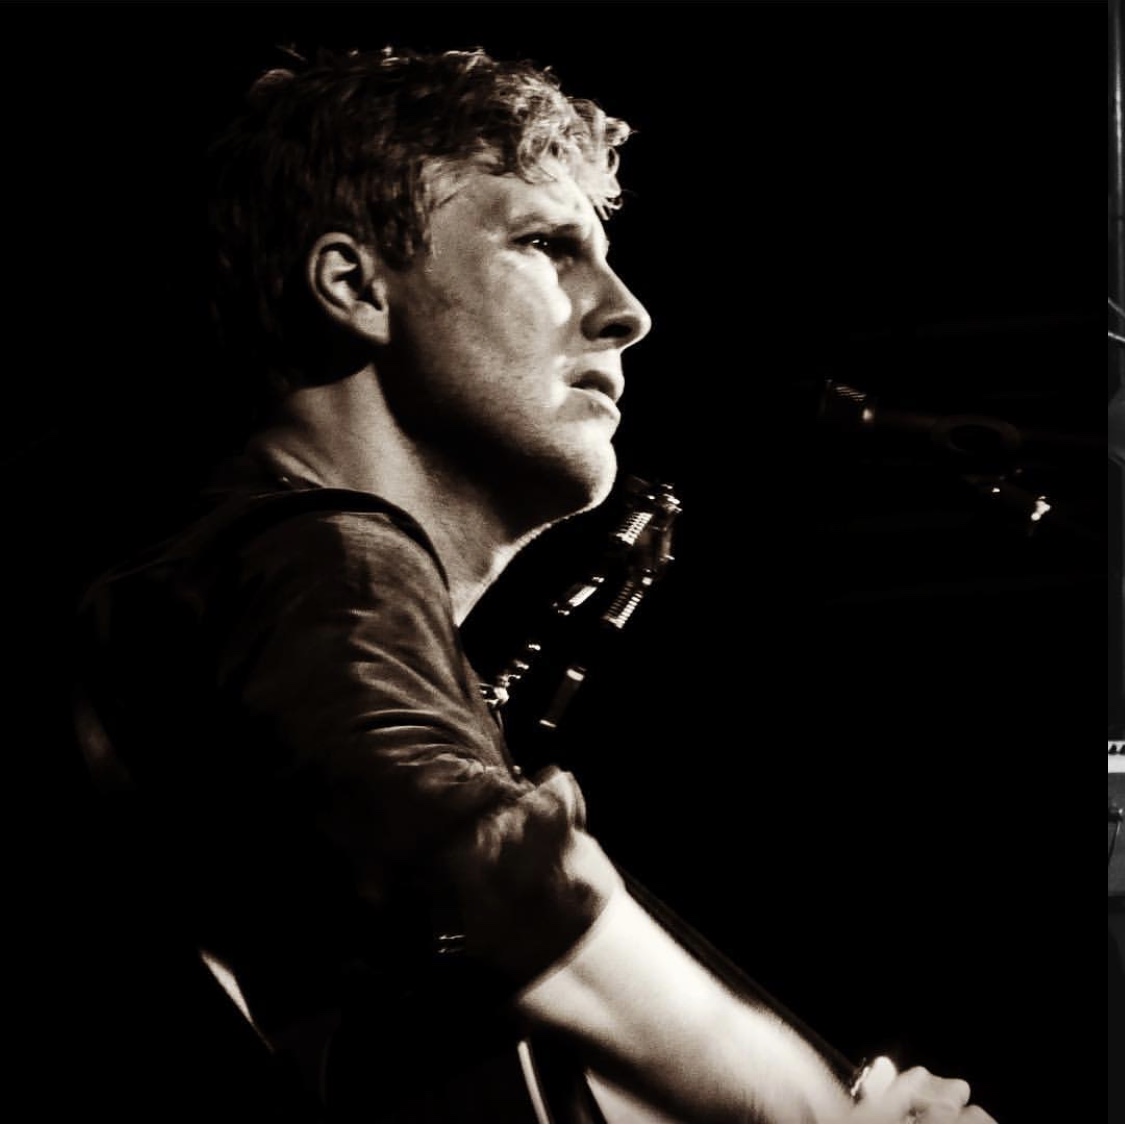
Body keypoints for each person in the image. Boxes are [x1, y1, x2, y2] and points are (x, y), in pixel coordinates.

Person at [72, 45, 994, 1123]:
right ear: (355, 285)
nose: (627, 312)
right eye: (548, 245)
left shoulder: (258, 600)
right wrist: (804, 1107)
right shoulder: (307, 552)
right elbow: (471, 864)